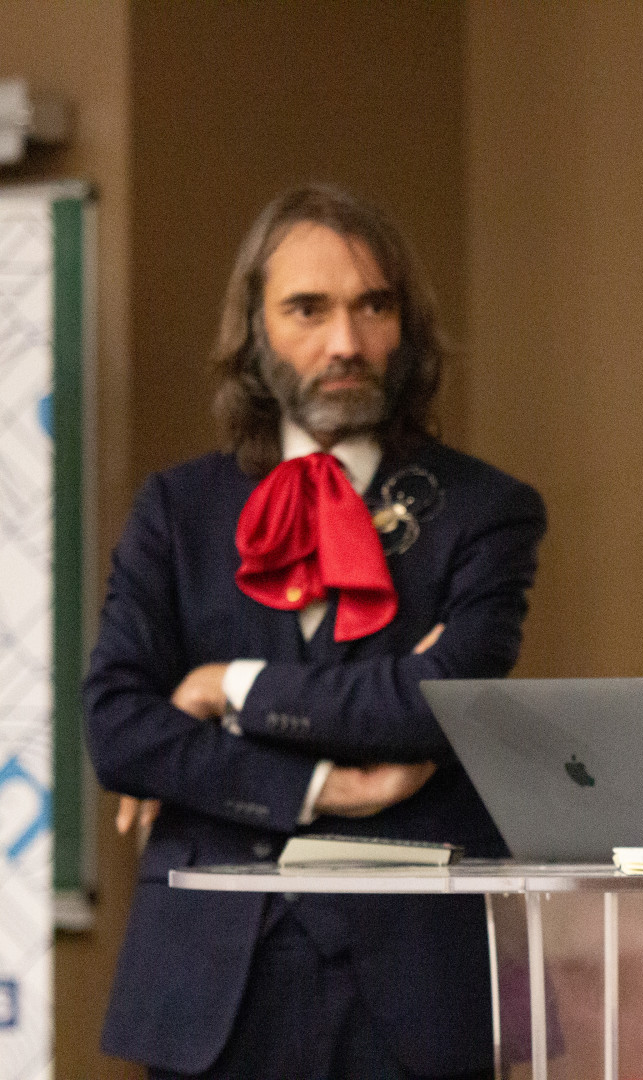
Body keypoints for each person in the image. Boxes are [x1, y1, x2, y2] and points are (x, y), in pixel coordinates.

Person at [85, 183, 546, 1079]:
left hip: (417, 978)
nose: (346, 343)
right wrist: (326, 788)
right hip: (210, 975)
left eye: (374, 307)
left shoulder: (487, 511)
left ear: (406, 326)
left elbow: (434, 705)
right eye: (308, 309)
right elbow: (118, 728)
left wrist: (230, 687)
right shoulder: (177, 509)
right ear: (255, 331)